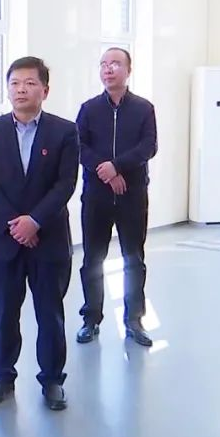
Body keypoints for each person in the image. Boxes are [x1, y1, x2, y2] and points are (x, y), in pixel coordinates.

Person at [0, 57, 79, 412]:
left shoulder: (65, 131)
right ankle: (2, 375)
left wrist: (34, 221)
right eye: (15, 83)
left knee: (50, 314)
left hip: (48, 239)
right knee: (4, 313)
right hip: (4, 239)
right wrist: (17, 224)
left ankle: (52, 380)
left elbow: (65, 183)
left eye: (30, 83)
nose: (21, 89)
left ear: (44, 91)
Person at [74, 47, 157, 347]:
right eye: (103, 64)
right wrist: (107, 172)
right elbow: (79, 146)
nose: (108, 69)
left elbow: (149, 146)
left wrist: (118, 166)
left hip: (132, 195)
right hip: (96, 196)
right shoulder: (88, 109)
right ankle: (91, 318)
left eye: (115, 64)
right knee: (92, 259)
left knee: (133, 258)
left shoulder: (144, 108)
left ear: (129, 70)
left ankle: (134, 320)